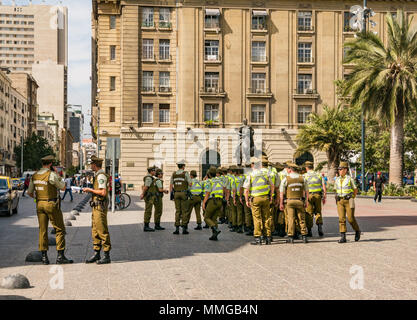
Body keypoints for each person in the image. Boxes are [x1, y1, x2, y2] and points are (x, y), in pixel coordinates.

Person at [27, 155, 73, 265]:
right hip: (51, 204)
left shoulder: (35, 176)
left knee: (42, 230)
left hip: (39, 204)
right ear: (51, 164)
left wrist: (39, 198)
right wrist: (58, 175)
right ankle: (60, 256)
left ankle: (44, 257)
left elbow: (29, 192)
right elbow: (62, 187)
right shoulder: (51, 175)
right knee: (59, 229)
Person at [83, 155, 111, 264]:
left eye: (91, 164)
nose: (90, 166)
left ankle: (106, 255)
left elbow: (103, 192)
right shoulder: (97, 175)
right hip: (96, 206)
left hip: (100, 206)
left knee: (102, 230)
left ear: (95, 165)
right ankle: (97, 254)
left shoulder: (101, 176)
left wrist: (90, 190)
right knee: (95, 230)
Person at [244, 155, 274, 245]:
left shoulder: (251, 174)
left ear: (253, 165)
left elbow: (246, 190)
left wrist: (246, 200)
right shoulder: (266, 173)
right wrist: (271, 196)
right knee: (266, 217)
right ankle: (268, 237)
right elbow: (272, 185)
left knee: (257, 218)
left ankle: (258, 238)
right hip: (265, 197)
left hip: (255, 199)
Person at [279, 163, 309, 244]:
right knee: (301, 218)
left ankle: (291, 237)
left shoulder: (286, 179)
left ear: (290, 169)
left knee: (290, 219)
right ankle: (304, 236)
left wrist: (281, 203)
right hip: (299, 201)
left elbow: (281, 193)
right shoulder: (302, 178)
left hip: (290, 201)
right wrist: (306, 201)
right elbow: (306, 191)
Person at [335, 161, 361, 243]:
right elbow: (335, 189)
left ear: (345, 170)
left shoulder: (350, 179)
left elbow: (355, 189)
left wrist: (352, 197)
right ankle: (343, 237)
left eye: (341, 169)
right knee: (341, 219)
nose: (339, 171)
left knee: (350, 218)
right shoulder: (337, 179)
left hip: (349, 200)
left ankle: (357, 230)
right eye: (339, 169)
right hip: (340, 201)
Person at [304, 161, 326, 237]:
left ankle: (309, 231)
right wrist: (324, 196)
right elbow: (323, 186)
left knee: (309, 213)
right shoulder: (319, 174)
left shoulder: (305, 175)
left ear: (306, 167)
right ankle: (319, 227)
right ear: (313, 167)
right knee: (318, 211)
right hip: (318, 195)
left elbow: (304, 188)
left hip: (309, 196)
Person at [170, 160, 192, 235]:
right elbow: (190, 183)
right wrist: (188, 189)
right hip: (183, 193)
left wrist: (172, 193)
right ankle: (184, 228)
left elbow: (171, 185)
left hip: (176, 193)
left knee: (177, 211)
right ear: (183, 166)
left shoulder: (174, 174)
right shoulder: (185, 173)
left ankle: (176, 228)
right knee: (184, 211)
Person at [202, 167, 225, 240]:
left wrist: (204, 203)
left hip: (212, 201)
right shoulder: (220, 180)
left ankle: (215, 229)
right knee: (214, 219)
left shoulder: (209, 181)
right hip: (220, 201)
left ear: (209, 174)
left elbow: (207, 193)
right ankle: (214, 235)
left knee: (206, 217)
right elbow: (224, 190)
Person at [140, 166, 157, 232]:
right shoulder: (149, 178)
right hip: (149, 197)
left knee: (149, 210)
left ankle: (147, 225)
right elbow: (146, 187)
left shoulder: (151, 178)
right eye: (154, 171)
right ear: (151, 171)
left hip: (150, 196)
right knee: (148, 211)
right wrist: (142, 194)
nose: (155, 172)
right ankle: (146, 226)